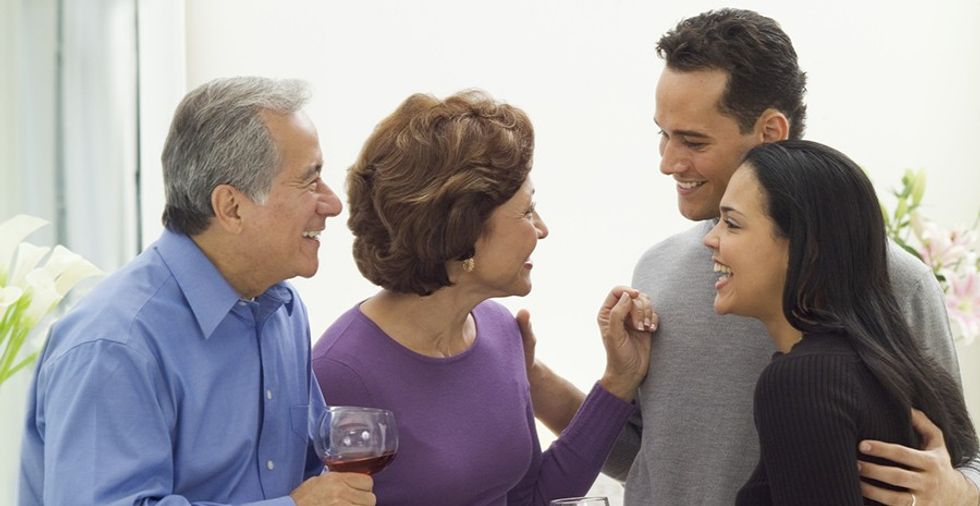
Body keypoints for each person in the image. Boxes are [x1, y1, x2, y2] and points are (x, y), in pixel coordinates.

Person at [525, 8, 980, 505]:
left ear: (770, 132)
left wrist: (957, 491)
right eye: (663, 132)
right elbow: (650, 458)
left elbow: (961, 456)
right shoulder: (659, 270)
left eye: (692, 140)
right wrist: (532, 379)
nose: (667, 162)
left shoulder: (894, 279)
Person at [19, 77, 376, 505]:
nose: (333, 204)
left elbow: (310, 474)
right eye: (309, 180)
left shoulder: (282, 309)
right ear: (232, 207)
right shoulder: (115, 344)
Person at [311, 90, 655, 505]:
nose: (542, 229)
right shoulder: (339, 373)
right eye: (527, 211)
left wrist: (619, 380)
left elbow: (531, 497)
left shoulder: (499, 328)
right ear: (465, 229)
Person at [703, 139, 979, 504]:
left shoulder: (802, 381)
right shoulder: (890, 369)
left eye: (732, 224)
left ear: (807, 246)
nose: (711, 239)